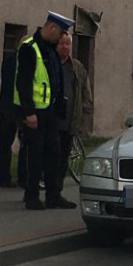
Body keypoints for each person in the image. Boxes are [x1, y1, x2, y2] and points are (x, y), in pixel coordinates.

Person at [15, 11, 74, 210]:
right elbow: (23, 82)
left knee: (54, 155)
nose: (61, 39)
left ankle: (53, 195)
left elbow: (54, 80)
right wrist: (28, 112)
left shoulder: (50, 49)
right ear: (51, 28)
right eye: (60, 33)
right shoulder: (30, 48)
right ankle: (32, 196)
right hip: (35, 113)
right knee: (36, 155)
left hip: (50, 112)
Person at [55, 31, 94, 194]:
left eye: (68, 44)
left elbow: (86, 91)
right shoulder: (50, 63)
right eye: (62, 43)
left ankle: (56, 192)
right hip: (52, 119)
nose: (65, 47)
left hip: (70, 120)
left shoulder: (77, 67)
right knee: (50, 156)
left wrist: (85, 111)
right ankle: (45, 190)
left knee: (63, 157)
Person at [0, 49, 27, 189]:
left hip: (6, 107)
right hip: (22, 108)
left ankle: (3, 178)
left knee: (4, 145)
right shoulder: (30, 60)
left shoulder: (8, 59)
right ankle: (23, 177)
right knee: (25, 144)